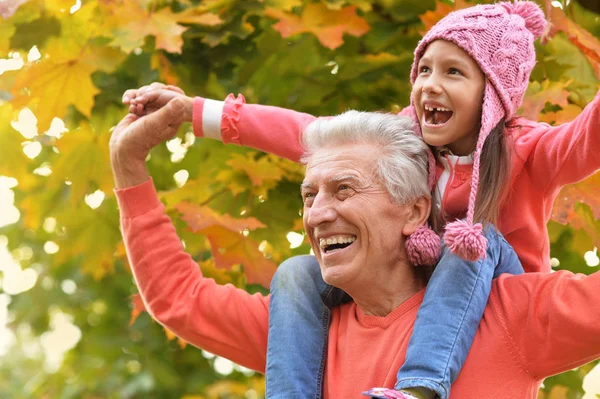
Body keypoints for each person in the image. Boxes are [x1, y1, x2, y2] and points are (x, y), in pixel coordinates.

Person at [122, 2, 600, 398]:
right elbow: (302, 133)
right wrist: (184, 120)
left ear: (414, 209)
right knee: (293, 272)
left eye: (344, 189)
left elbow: (585, 140)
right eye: (309, 195)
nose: (319, 213)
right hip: (429, 264)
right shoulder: (305, 328)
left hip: (488, 274)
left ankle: (421, 386)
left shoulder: (515, 306)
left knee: (467, 246)